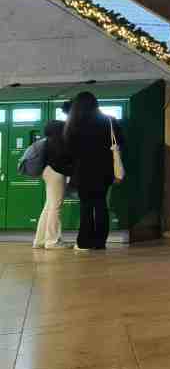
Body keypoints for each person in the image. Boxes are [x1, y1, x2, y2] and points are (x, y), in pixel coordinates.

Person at [64, 92, 124, 251]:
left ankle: (84, 241)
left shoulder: (73, 123)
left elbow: (69, 149)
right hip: (104, 171)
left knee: (85, 206)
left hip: (82, 171)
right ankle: (100, 242)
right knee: (101, 204)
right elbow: (120, 142)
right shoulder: (109, 121)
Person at [33, 120, 72, 249]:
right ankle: (52, 241)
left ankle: (40, 240)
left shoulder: (47, 142)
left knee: (49, 206)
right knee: (55, 207)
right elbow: (62, 162)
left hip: (47, 172)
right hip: (56, 174)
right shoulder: (58, 143)